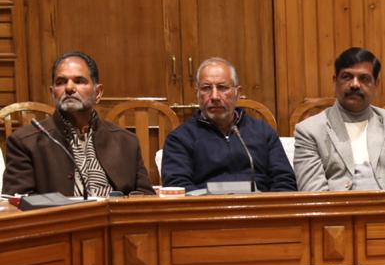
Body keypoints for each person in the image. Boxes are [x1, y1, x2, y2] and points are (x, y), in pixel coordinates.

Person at [3, 51, 153, 196]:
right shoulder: (25, 142)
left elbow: (145, 199)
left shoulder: (126, 142)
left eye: (79, 81)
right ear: (52, 92)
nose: (69, 88)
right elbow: (17, 204)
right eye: (61, 82)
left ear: (98, 92)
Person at [293, 48, 385, 191]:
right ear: (335, 81)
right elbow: (312, 190)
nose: (355, 84)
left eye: (364, 78)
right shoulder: (309, 130)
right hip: (337, 209)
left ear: (376, 84)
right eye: (347, 77)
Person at [161, 58, 296, 193]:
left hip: (259, 209)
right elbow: (177, 187)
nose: (214, 96)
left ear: (238, 93)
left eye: (222, 87)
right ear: (197, 94)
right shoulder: (180, 138)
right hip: (205, 211)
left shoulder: (262, 131)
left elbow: (284, 181)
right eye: (206, 88)